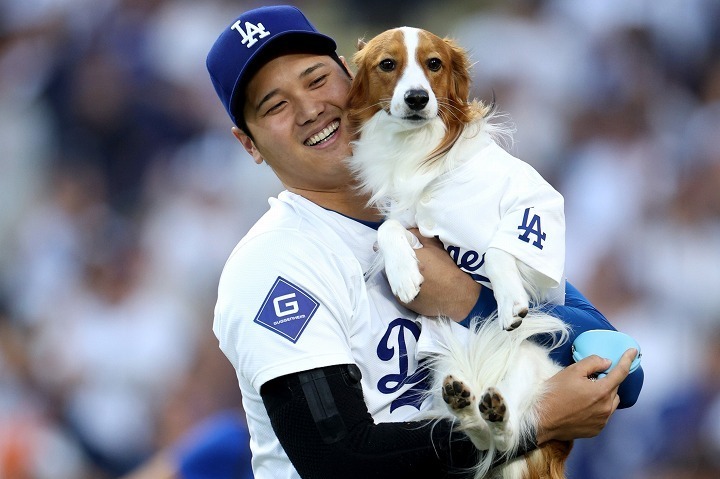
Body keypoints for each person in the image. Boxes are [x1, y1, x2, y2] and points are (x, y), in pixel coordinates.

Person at [206, 5, 640, 478]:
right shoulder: (276, 262)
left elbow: (622, 370)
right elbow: (337, 460)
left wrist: (466, 300)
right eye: (275, 105)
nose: (310, 109)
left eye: (316, 81)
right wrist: (531, 421)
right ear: (248, 143)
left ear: (358, 81)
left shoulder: (450, 190)